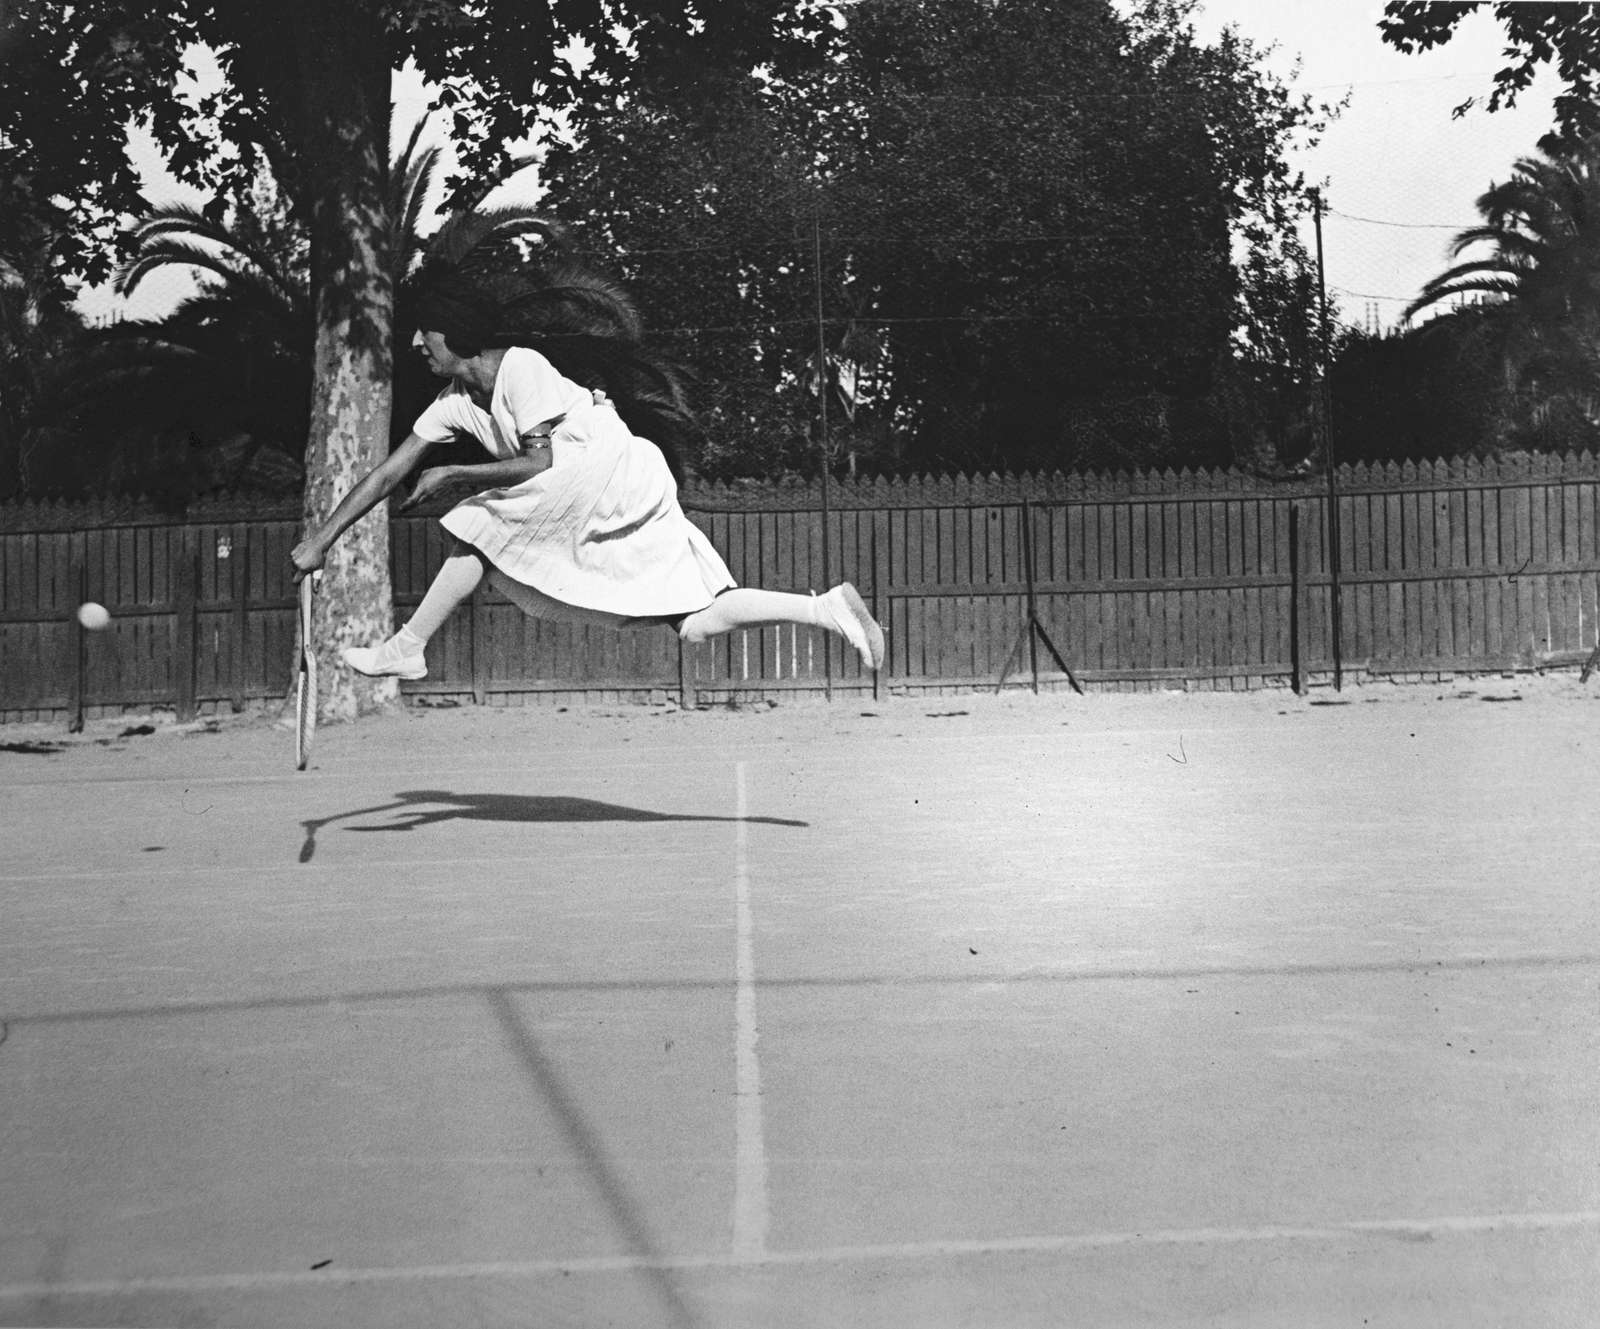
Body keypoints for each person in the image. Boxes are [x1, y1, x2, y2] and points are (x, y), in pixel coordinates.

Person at [289, 277, 884, 679]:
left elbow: (541, 463)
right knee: (695, 621)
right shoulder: (452, 403)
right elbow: (389, 470)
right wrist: (322, 538)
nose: (416, 341)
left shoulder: (519, 365)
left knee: (479, 520)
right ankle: (826, 610)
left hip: (608, 468)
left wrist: (454, 471)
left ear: (456, 334)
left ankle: (408, 646)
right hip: (607, 486)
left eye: (427, 331)